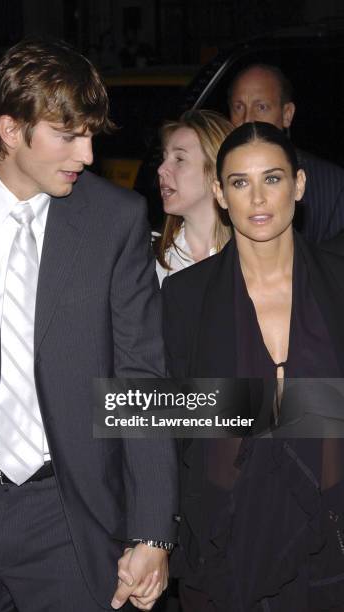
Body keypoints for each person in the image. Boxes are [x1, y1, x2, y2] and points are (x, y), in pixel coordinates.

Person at [0, 38, 178, 612]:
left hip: (69, 525)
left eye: (90, 135)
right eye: (69, 135)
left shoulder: (115, 220)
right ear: (11, 130)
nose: (86, 154)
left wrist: (153, 531)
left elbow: (140, 380)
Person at [163, 122, 344, 611]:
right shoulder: (183, 298)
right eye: (241, 182)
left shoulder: (337, 280)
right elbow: (162, 425)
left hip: (331, 552)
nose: (258, 199)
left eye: (273, 179)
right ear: (220, 193)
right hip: (225, 550)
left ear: (299, 185)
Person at [228, 63, 344, 243]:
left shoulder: (331, 185)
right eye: (238, 107)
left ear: (287, 114)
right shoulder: (216, 177)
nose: (247, 119)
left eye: (261, 107)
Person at [155, 110, 233, 286]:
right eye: (164, 158)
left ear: (215, 170)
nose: (161, 169)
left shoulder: (251, 259)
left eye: (179, 159)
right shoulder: (146, 256)